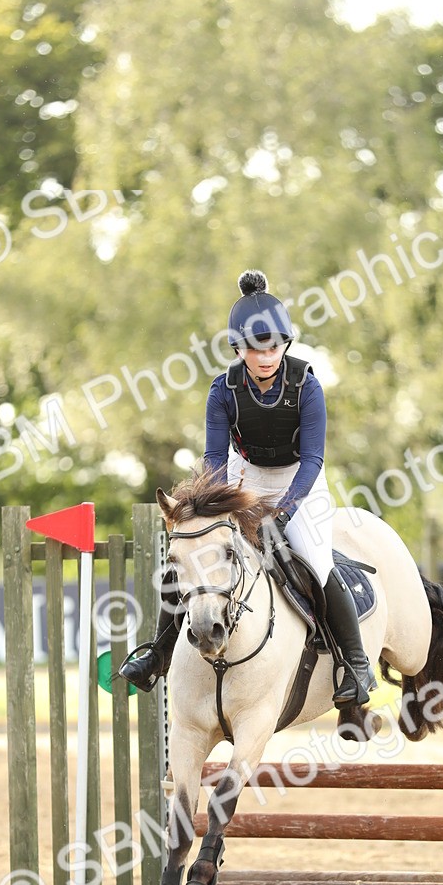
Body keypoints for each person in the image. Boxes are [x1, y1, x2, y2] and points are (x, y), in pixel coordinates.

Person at [119, 269, 377, 706]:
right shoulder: (222, 390)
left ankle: (355, 665)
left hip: (301, 479)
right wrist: (212, 506)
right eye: (254, 348)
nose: (264, 356)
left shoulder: (307, 386)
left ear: (285, 344)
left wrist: (288, 510)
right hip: (244, 477)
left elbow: (313, 458)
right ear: (238, 349)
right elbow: (215, 460)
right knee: (195, 552)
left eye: (273, 346)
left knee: (314, 560)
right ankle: (159, 651)